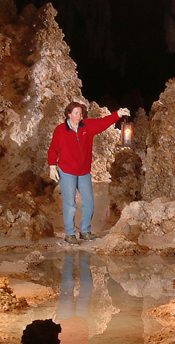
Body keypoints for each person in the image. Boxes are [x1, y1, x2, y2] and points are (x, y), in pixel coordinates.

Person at [46, 99, 126, 241]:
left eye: (81, 114)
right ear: (69, 114)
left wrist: (117, 114)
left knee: (88, 202)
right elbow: (53, 149)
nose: (79, 116)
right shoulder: (60, 130)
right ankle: (70, 234)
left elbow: (102, 123)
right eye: (76, 113)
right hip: (67, 172)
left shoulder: (86, 126)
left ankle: (85, 231)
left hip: (83, 172)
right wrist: (52, 165)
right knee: (70, 204)